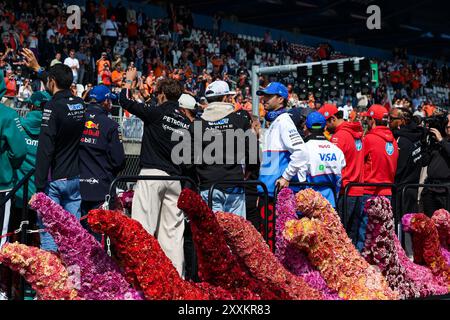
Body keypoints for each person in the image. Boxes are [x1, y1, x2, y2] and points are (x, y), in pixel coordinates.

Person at [119, 67, 189, 277]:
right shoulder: (185, 121)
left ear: (162, 94)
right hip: (175, 179)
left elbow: (125, 101)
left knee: (143, 228)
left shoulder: (156, 112)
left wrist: (128, 82)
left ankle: (141, 277)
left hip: (151, 176)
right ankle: (175, 279)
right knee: (173, 234)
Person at [21, 48, 86, 252]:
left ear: (51, 83)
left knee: (49, 233)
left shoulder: (52, 107)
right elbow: (58, 89)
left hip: (54, 182)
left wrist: (39, 187)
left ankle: (50, 282)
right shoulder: (79, 104)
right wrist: (39, 70)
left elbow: (45, 149)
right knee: (73, 235)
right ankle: (74, 278)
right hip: (75, 179)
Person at [193, 80, 252, 217]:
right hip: (234, 183)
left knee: (214, 233)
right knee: (237, 233)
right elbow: (252, 151)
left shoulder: (197, 124)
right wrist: (249, 171)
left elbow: (190, 157)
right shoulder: (240, 120)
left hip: (209, 185)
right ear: (226, 98)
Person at [79, 85, 125, 239]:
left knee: (79, 239)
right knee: (99, 241)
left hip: (77, 188)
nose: (111, 103)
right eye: (110, 100)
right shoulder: (110, 125)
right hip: (102, 188)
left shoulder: (78, 119)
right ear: (105, 101)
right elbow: (119, 160)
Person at [319, 104, 364, 244]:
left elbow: (330, 166)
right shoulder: (356, 134)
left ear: (332, 119)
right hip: (358, 190)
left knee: (339, 234)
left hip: (345, 190)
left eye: (326, 122)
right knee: (353, 235)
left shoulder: (339, 137)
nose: (325, 127)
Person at [358, 104, 399, 251]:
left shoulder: (369, 139)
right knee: (382, 235)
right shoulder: (393, 141)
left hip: (369, 191)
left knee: (364, 234)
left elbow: (359, 161)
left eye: (368, 119)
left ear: (372, 120)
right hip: (387, 192)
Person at [257, 82, 307, 196]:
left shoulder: (284, 121)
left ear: (280, 99)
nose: (264, 99)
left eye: (269, 96)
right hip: (267, 190)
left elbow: (301, 152)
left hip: (277, 194)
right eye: (264, 96)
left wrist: (286, 177)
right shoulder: (276, 121)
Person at [0, 71, 27, 249]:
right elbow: (19, 152)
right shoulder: (8, 115)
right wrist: (8, 166)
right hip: (2, 185)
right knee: (1, 238)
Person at [298, 111, 345, 207]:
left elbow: (300, 179)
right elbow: (340, 177)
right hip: (331, 205)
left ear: (306, 127)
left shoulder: (303, 149)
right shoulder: (337, 151)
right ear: (325, 128)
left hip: (309, 206)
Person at [390, 107, 424, 214]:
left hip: (401, 191)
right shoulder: (418, 135)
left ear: (402, 121)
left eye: (391, 119)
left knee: (401, 226)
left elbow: (398, 168)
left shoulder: (402, 140)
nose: (388, 121)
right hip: (412, 188)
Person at [420, 114, 450, 216]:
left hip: (446, 190)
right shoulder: (436, 141)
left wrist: (441, 141)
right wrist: (425, 143)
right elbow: (424, 161)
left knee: (445, 225)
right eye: (447, 123)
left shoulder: (441, 140)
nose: (448, 126)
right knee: (429, 225)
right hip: (430, 188)